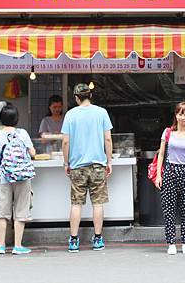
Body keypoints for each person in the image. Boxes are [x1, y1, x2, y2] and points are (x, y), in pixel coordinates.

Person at [61, 83, 113, 252]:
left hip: (77, 166)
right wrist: (109, 161)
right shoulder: (102, 112)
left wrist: (66, 162)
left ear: (76, 97)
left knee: (76, 204)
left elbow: (65, 141)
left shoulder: (70, 115)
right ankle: (98, 239)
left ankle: (74, 241)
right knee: (97, 203)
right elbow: (107, 140)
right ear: (90, 95)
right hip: (98, 165)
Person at [0, 103, 36, 255]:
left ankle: (1, 246)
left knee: (2, 213)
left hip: (4, 178)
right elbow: (33, 153)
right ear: (17, 119)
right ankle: (18, 246)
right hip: (22, 177)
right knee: (21, 211)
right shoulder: (23, 134)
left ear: (1, 119)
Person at [155, 102, 185, 255]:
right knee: (168, 209)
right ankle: (171, 243)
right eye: (180, 114)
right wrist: (158, 175)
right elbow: (161, 154)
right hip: (169, 170)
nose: (183, 117)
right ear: (175, 115)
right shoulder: (168, 132)